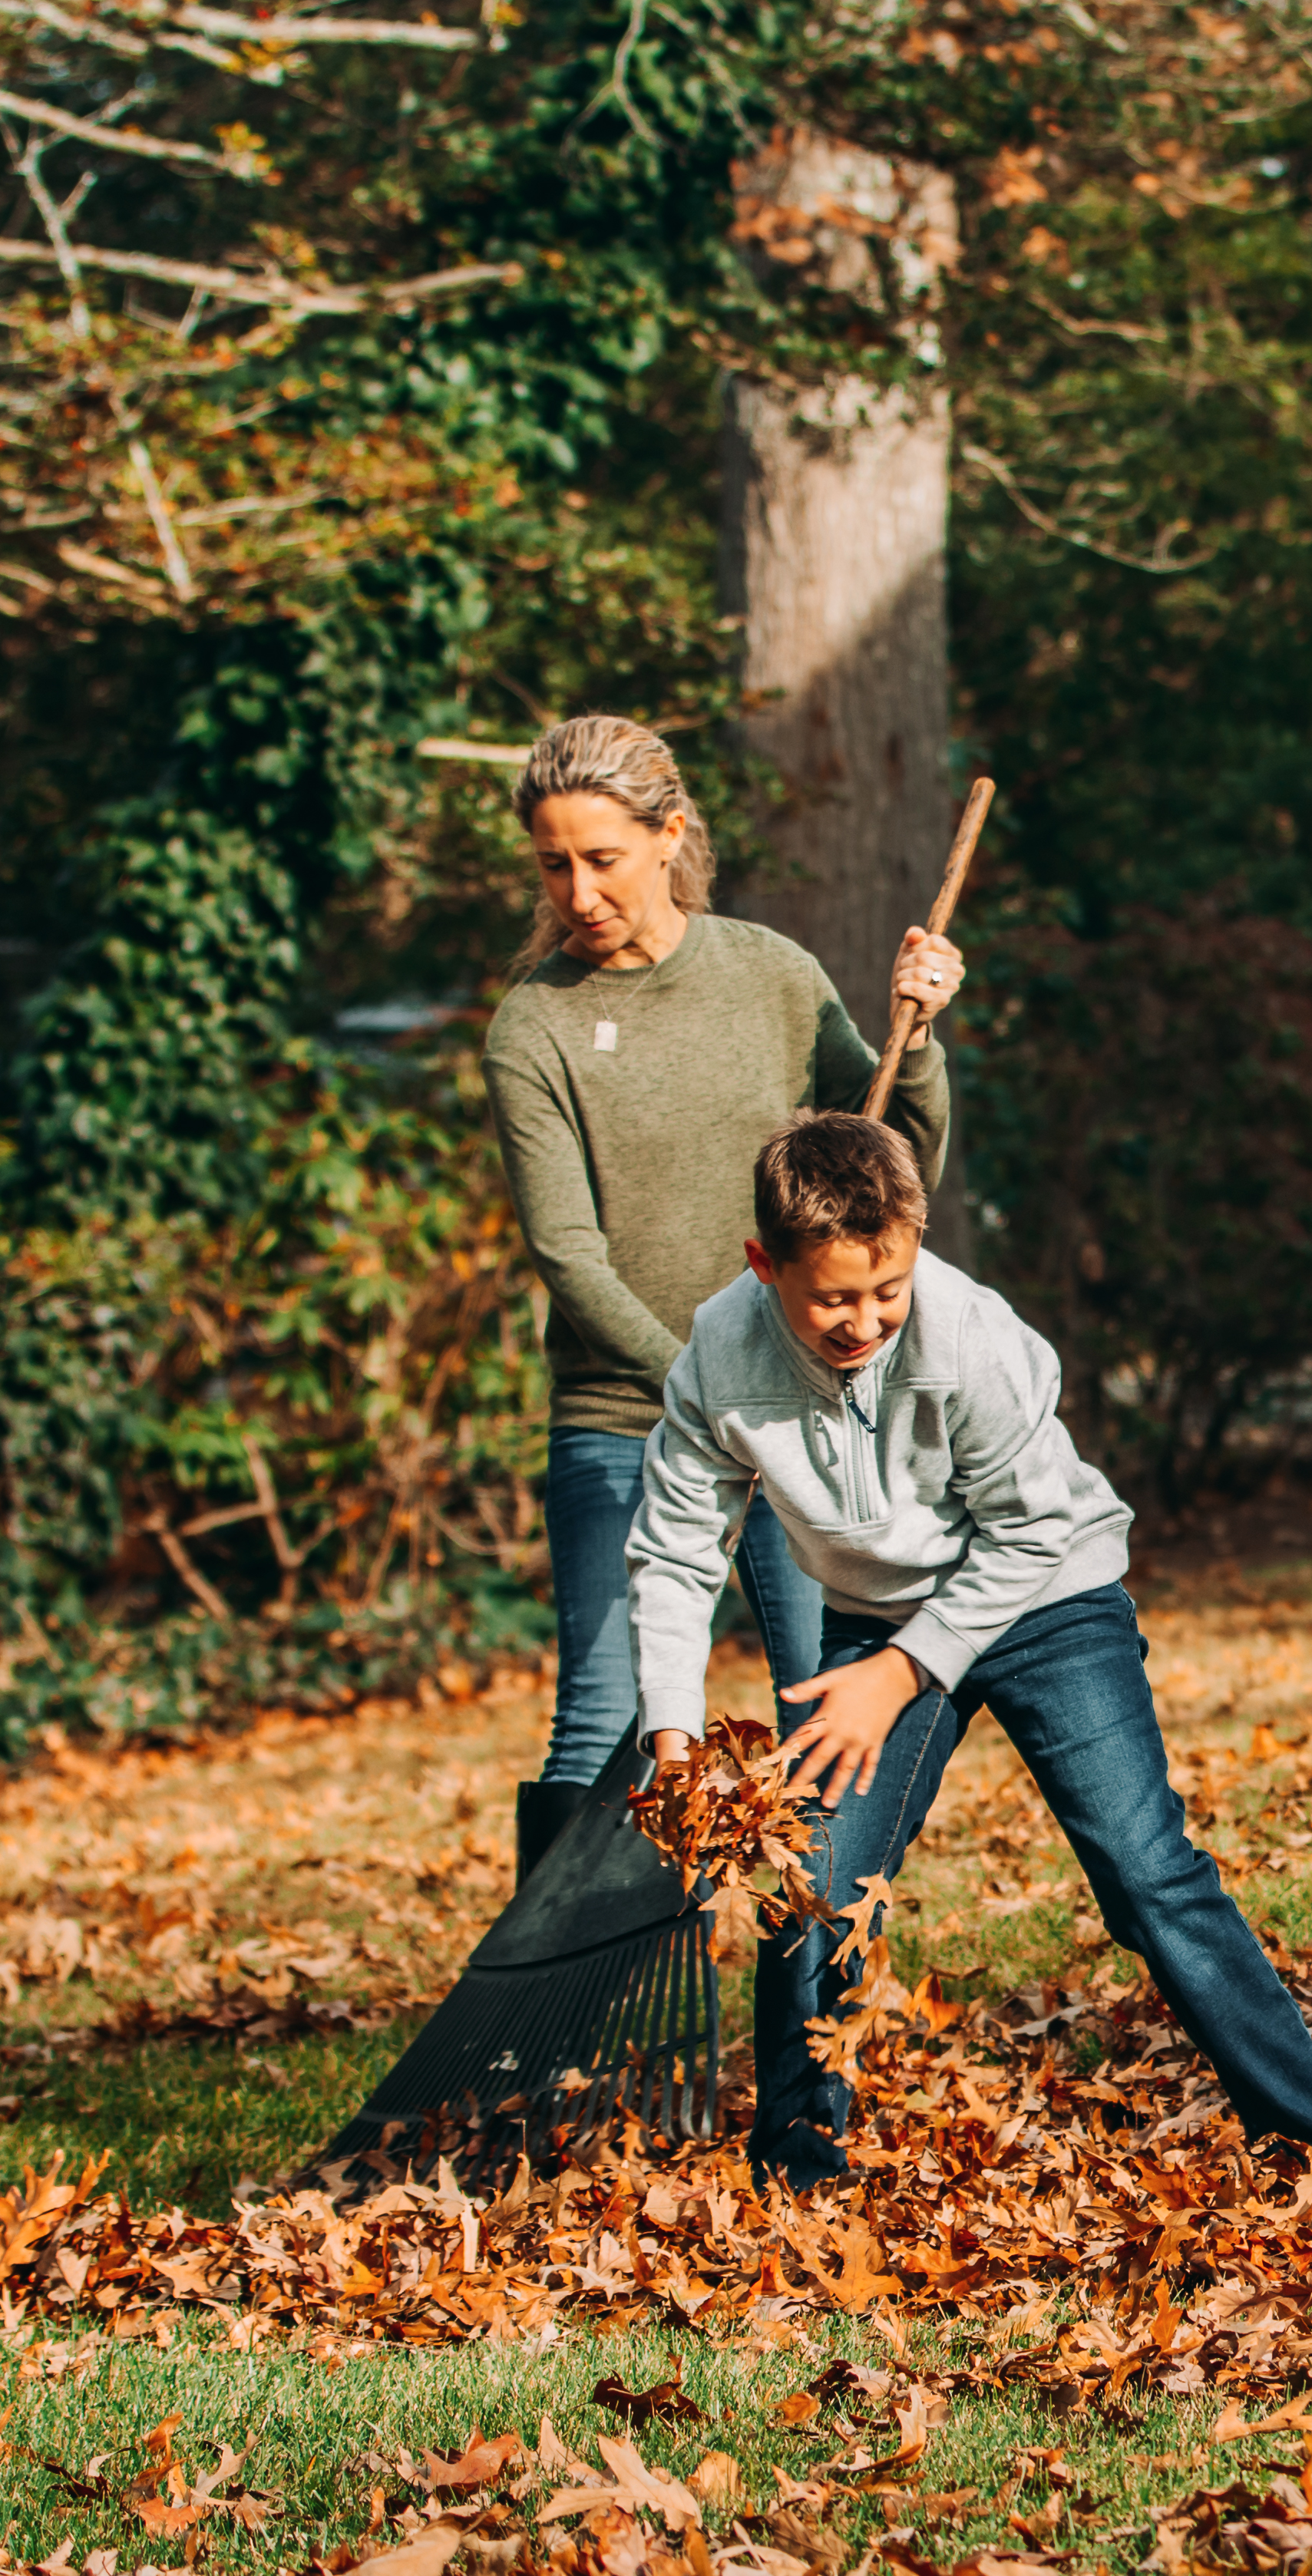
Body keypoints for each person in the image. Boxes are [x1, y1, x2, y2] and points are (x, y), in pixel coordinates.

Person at [629, 1112, 1312, 2181]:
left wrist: (901, 1673)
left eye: (886, 1290)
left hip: (1047, 1599)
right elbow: (674, 1546)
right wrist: (670, 1730)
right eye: (833, 1297)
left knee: (1143, 1867)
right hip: (875, 1616)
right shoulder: (721, 1349)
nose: (865, 1322)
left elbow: (1029, 1529)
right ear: (764, 1264)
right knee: (814, 1879)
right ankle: (797, 2162)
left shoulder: (968, 1333)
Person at [484, 716, 963, 1874]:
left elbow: (888, 1175)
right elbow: (569, 1255)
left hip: (797, 1411)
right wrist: (707, 1389)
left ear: (668, 836)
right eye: (554, 863)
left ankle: (816, 2003)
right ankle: (545, 2034)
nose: (578, 890)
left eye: (602, 857)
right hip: (624, 1422)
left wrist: (927, 1038)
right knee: (606, 1720)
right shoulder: (534, 1026)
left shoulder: (772, 976)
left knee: (819, 1710)